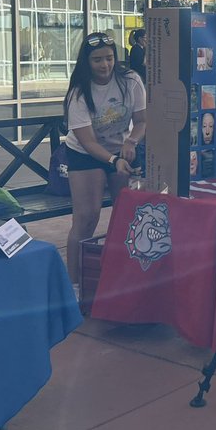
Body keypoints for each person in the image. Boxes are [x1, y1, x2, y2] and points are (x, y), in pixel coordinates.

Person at [64, 31, 146, 276]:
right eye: (97, 59)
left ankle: (118, 275)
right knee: (87, 217)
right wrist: (113, 161)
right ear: (87, 62)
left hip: (121, 148)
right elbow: (87, 141)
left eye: (109, 58)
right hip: (85, 154)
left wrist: (131, 141)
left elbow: (142, 120)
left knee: (128, 216)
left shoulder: (131, 80)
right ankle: (74, 282)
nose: (105, 65)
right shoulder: (78, 93)